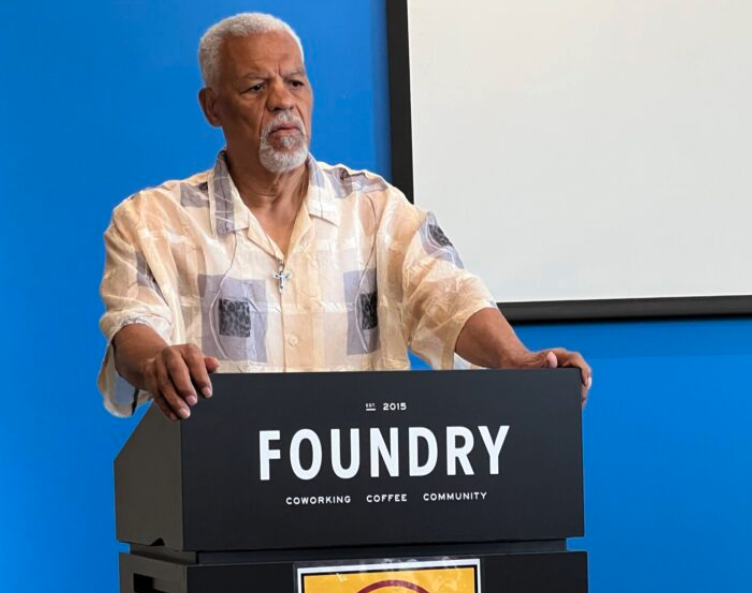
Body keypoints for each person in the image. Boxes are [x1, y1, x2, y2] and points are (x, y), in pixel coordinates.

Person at [98, 12, 590, 421]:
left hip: (368, 496)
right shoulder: (150, 220)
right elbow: (132, 325)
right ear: (213, 107)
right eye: (255, 87)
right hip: (226, 490)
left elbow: (449, 294)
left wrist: (513, 358)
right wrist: (158, 362)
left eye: (295, 82)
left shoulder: (375, 208)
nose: (282, 101)